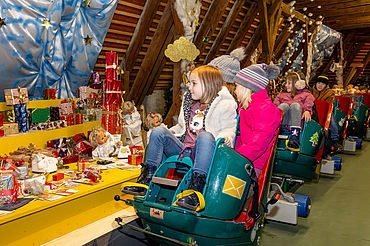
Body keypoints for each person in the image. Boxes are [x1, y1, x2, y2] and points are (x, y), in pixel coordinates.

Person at [123, 65, 237, 211]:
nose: (190, 87)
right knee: (158, 131)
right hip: (184, 149)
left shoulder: (225, 105)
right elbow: (182, 128)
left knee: (205, 136)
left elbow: (229, 129)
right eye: (190, 83)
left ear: (208, 84)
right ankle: (147, 180)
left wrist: (225, 137)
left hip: (204, 152)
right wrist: (170, 132)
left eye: (194, 83)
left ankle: (195, 190)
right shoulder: (190, 103)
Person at [227, 63, 282, 177]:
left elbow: (256, 145)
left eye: (237, 86)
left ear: (246, 87)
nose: (235, 90)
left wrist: (234, 159)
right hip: (240, 158)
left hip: (250, 166)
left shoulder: (265, 110)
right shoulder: (246, 107)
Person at [273, 72, 315, 151]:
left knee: (295, 105)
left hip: (295, 122)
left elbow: (308, 104)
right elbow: (275, 107)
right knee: (284, 106)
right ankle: (272, 129)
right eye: (286, 83)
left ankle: (295, 136)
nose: (286, 85)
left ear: (298, 84)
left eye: (289, 83)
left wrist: (307, 111)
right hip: (282, 122)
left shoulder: (307, 95)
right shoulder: (281, 95)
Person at [313, 75, 343, 153]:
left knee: (332, 121)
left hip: (325, 111)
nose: (320, 85)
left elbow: (330, 103)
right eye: (319, 83)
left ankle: (335, 140)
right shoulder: (311, 91)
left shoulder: (329, 93)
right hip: (313, 111)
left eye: (323, 84)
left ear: (326, 85)